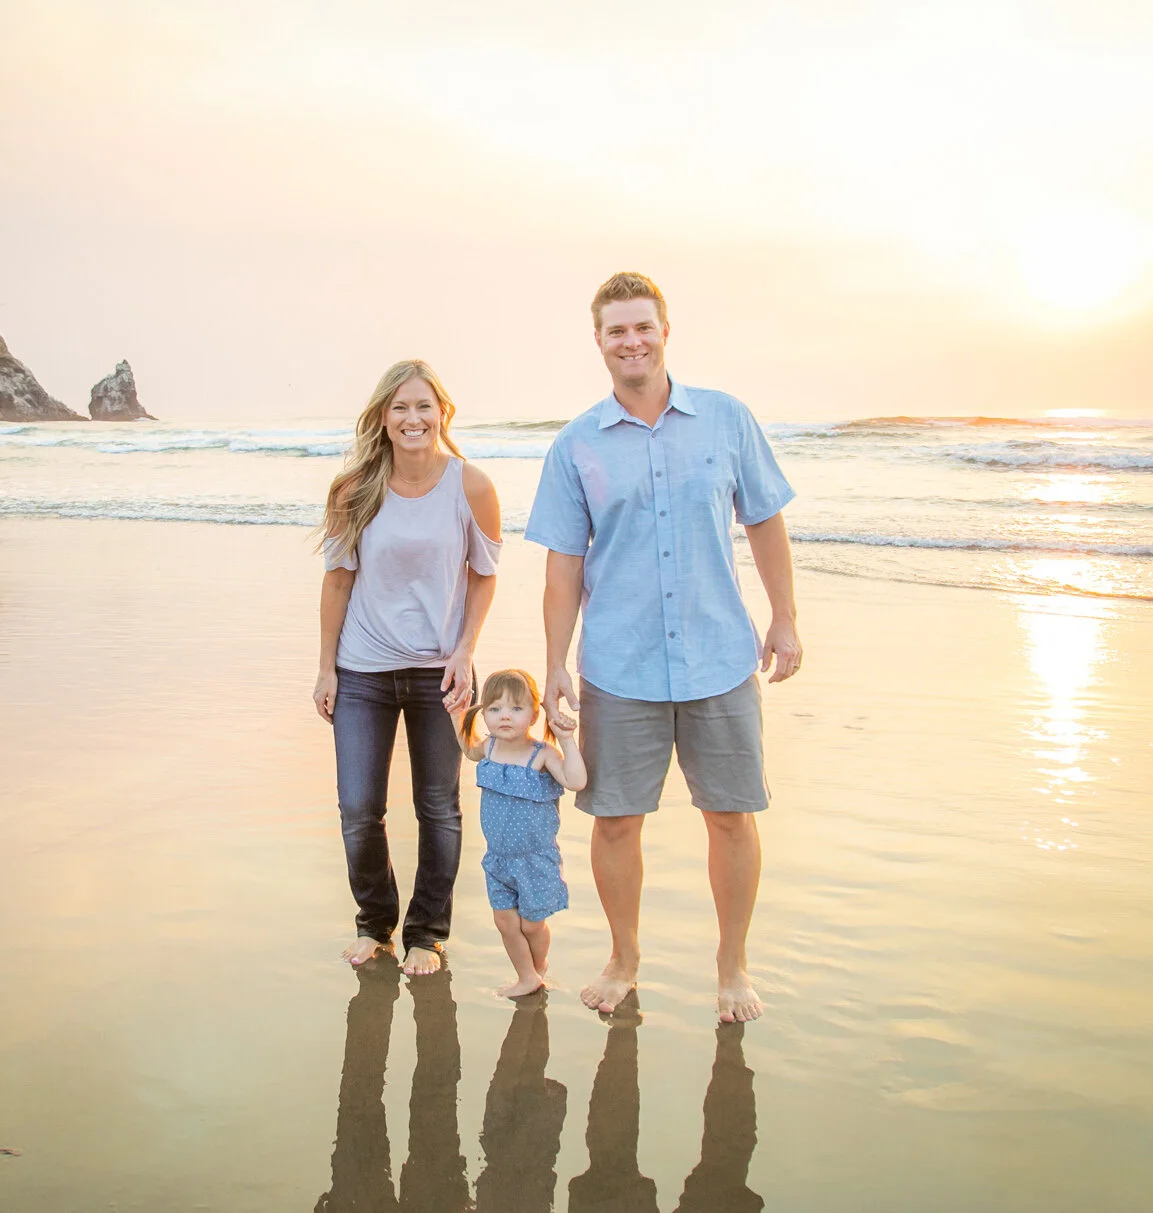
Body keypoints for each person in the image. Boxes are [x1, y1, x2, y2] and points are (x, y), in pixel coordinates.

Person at [526, 271, 802, 1024]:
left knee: (730, 815)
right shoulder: (576, 445)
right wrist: (554, 663)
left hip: (720, 657)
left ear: (665, 330)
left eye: (642, 326)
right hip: (621, 665)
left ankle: (732, 965)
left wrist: (784, 617)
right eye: (617, 330)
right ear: (598, 341)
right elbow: (563, 564)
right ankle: (623, 957)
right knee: (615, 819)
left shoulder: (725, 419)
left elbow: (764, 520)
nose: (632, 341)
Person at [315, 359, 504, 977]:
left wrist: (466, 649)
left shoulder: (471, 486)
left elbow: (484, 575)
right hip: (362, 672)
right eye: (400, 407)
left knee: (438, 808)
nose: (413, 418)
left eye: (424, 406)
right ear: (383, 417)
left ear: (442, 412)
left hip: (440, 674)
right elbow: (337, 581)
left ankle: (427, 934)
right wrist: (326, 669)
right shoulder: (354, 489)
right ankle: (374, 926)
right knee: (358, 808)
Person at [459, 669, 586, 999]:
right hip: (498, 859)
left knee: (531, 924)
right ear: (484, 713)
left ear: (533, 715)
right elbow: (468, 750)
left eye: (516, 708)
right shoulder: (489, 748)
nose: (505, 716)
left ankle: (538, 968)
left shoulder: (542, 754)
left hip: (536, 860)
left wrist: (567, 739)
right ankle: (526, 976)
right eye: (495, 708)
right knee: (505, 922)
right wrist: (455, 716)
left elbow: (576, 781)